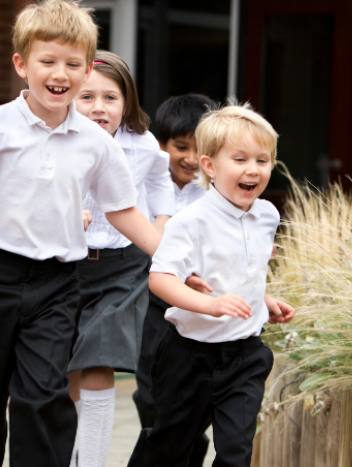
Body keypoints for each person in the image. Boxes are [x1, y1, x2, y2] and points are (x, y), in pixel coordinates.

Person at [0, 1, 161, 466]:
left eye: (72, 64)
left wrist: (177, 263)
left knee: (43, 398)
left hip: (58, 284)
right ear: (21, 64)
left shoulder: (98, 144)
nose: (60, 73)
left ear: (86, 71)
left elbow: (125, 213)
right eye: (48, 61)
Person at [127, 103, 295, 467]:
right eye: (240, 159)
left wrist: (263, 298)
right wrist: (211, 305)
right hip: (190, 356)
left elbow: (240, 270)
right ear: (210, 166)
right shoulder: (190, 221)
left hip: (245, 355)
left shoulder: (267, 215)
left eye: (262, 160)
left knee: (236, 453)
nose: (253, 169)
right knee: (171, 443)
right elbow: (160, 279)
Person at [67, 50, 174, 467]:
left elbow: (160, 178)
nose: (98, 108)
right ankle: (70, 454)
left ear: (127, 101)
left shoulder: (142, 144)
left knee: (100, 360)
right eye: (87, 97)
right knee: (63, 370)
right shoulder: (59, 137)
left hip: (123, 267)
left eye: (110, 98)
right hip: (66, 266)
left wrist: (162, 220)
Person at [132, 93, 215, 466]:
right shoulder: (144, 187)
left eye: (199, 150)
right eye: (180, 147)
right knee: (148, 395)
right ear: (160, 145)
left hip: (198, 305)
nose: (189, 159)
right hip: (150, 300)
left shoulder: (216, 195)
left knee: (191, 398)